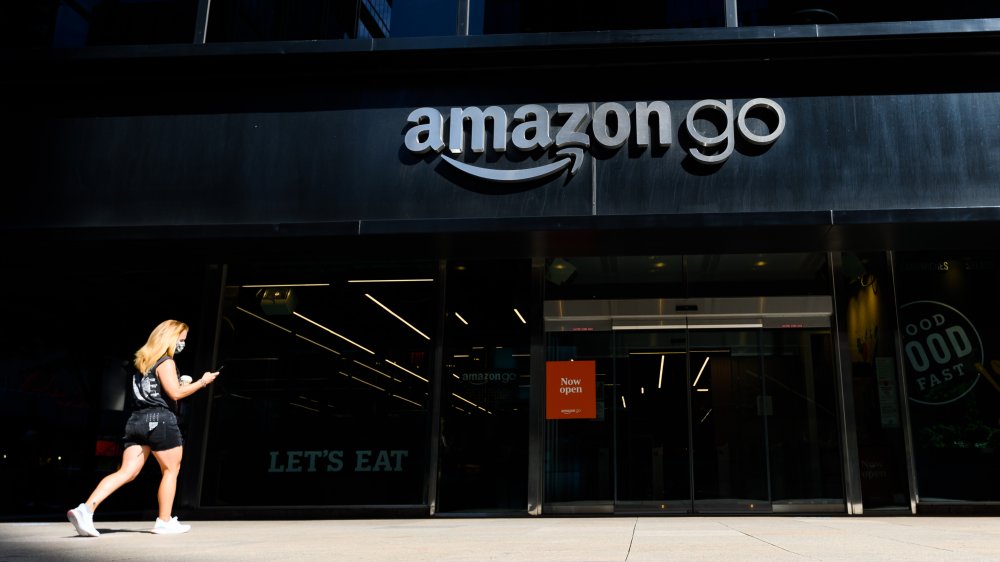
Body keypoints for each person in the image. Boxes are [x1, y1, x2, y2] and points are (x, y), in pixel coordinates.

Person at [67, 319, 220, 536]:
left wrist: (180, 387)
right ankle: (164, 520)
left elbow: (154, 392)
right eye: (181, 339)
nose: (182, 344)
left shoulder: (142, 363)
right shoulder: (166, 362)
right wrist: (202, 382)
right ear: (170, 338)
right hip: (161, 422)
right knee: (170, 470)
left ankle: (85, 509)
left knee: (126, 472)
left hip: (136, 420)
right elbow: (175, 394)